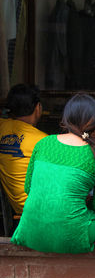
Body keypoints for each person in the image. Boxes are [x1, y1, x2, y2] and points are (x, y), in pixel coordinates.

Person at [11, 93, 95, 254]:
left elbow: (28, 188)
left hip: (30, 231)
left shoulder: (43, 143)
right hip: (72, 236)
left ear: (66, 117)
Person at [0, 84, 47, 215]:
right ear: (38, 108)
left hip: (17, 209)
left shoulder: (2, 127)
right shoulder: (43, 141)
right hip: (40, 209)